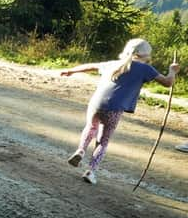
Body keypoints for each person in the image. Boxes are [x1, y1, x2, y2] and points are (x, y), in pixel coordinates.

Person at [61, 38, 179, 185]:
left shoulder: (112, 63)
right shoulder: (145, 69)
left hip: (96, 103)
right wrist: (172, 71)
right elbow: (168, 82)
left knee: (91, 127)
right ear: (145, 55)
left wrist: (70, 70)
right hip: (114, 109)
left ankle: (80, 150)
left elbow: (90, 66)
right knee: (103, 140)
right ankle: (91, 171)